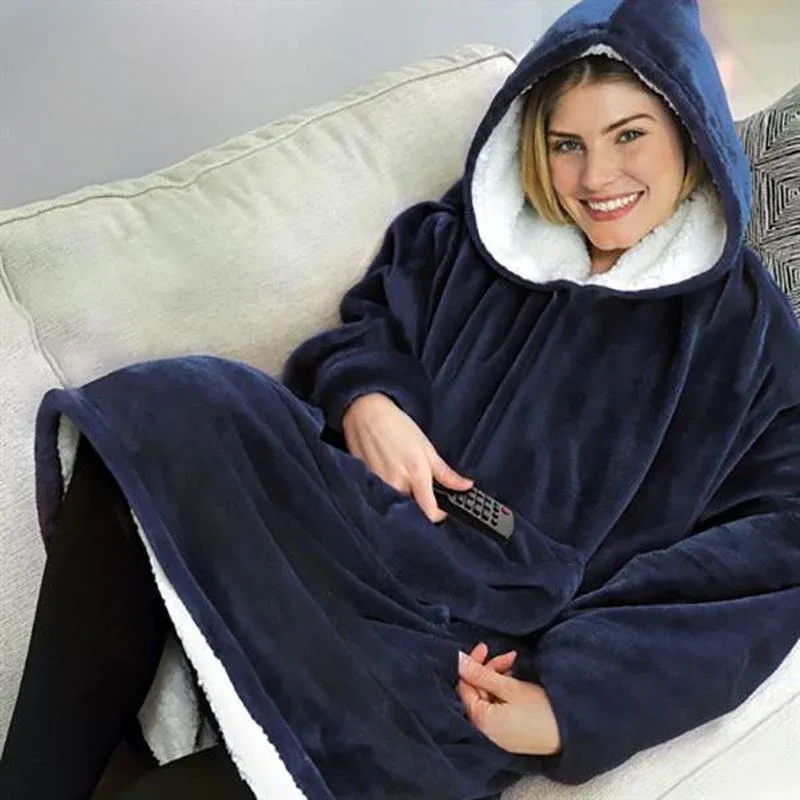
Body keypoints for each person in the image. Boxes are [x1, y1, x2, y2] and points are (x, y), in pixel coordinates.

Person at [2, 0, 800, 797]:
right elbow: (372, 325)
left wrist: (572, 701)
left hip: (468, 640)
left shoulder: (749, 339)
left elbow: (769, 560)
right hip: (347, 522)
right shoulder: (476, 232)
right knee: (171, 410)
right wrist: (369, 399)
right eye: (568, 144)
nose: (596, 178)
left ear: (690, 129)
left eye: (629, 135)